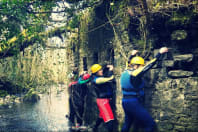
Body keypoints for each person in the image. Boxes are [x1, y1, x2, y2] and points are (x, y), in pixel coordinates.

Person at [120, 47, 168, 132]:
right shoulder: (135, 73)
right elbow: (148, 66)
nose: (141, 68)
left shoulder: (125, 70)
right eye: (140, 66)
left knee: (127, 123)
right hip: (133, 102)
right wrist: (159, 53)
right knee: (150, 124)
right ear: (136, 66)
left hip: (125, 102)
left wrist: (132, 55)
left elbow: (128, 63)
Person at [91, 64, 115, 132]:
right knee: (110, 120)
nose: (102, 71)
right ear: (96, 72)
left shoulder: (96, 76)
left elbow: (102, 73)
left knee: (101, 117)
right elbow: (111, 78)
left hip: (103, 100)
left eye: (101, 70)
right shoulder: (97, 80)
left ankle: (94, 129)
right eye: (100, 70)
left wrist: (106, 67)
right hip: (103, 101)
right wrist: (110, 70)